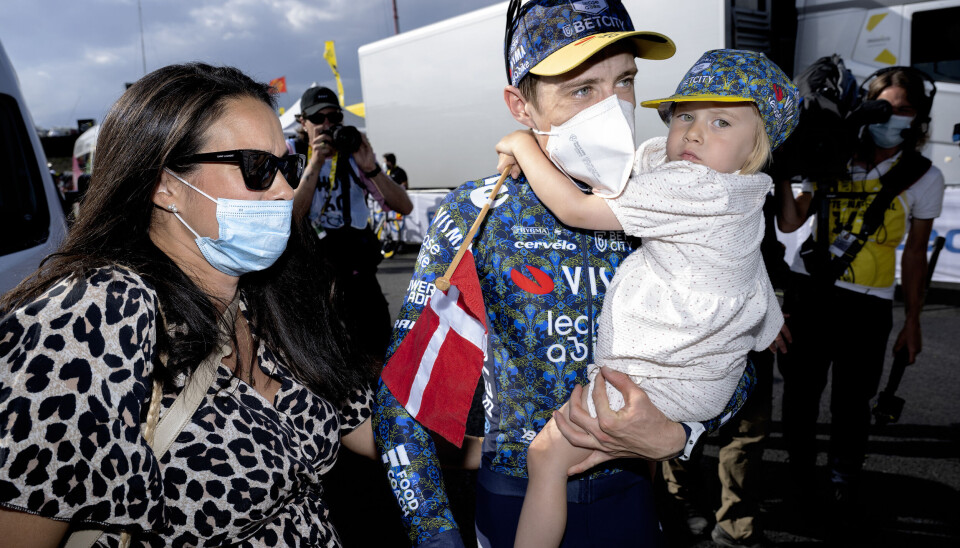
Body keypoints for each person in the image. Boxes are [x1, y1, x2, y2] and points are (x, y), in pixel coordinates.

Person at [372, 2, 760, 547]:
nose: (613, 106)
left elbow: (735, 360)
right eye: (582, 89)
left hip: (631, 497)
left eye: (624, 81)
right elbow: (405, 391)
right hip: (514, 498)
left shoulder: (678, 197)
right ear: (521, 106)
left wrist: (682, 432)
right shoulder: (481, 211)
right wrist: (433, 531)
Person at [0, 63, 380, 547]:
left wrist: (500, 437)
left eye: (285, 166)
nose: (285, 189)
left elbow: (373, 430)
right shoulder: (95, 315)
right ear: (166, 186)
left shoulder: (272, 295)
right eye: (257, 168)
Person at [495, 49, 797, 548]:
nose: (695, 133)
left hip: (659, 380)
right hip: (701, 387)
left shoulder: (695, 186)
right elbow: (751, 272)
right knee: (593, 454)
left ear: (754, 150)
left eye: (722, 121)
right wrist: (770, 324)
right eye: (684, 116)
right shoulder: (745, 194)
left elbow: (576, 208)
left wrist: (525, 147)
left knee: (545, 457)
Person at [775, 66, 944, 529]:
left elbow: (913, 256)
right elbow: (791, 225)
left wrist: (913, 320)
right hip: (810, 293)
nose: (892, 117)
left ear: (919, 118)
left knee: (853, 403)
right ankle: (801, 477)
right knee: (800, 398)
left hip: (869, 306)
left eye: (904, 110)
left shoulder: (924, 177)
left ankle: (842, 477)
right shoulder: (834, 151)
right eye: (884, 107)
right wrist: (784, 175)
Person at [660, 195, 789, 548]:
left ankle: (737, 524)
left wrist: (772, 307)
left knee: (747, 433)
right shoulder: (680, 188)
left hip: (748, 329)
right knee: (684, 424)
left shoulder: (759, 191)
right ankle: (680, 501)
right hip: (691, 328)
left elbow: (769, 256)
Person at [292, 85, 413, 358]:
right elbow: (290, 219)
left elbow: (404, 206)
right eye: (317, 118)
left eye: (334, 118)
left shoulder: (353, 157)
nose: (326, 125)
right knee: (325, 362)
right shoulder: (294, 155)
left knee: (377, 351)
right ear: (302, 122)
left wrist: (371, 168)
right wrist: (315, 162)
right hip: (312, 277)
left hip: (356, 274)